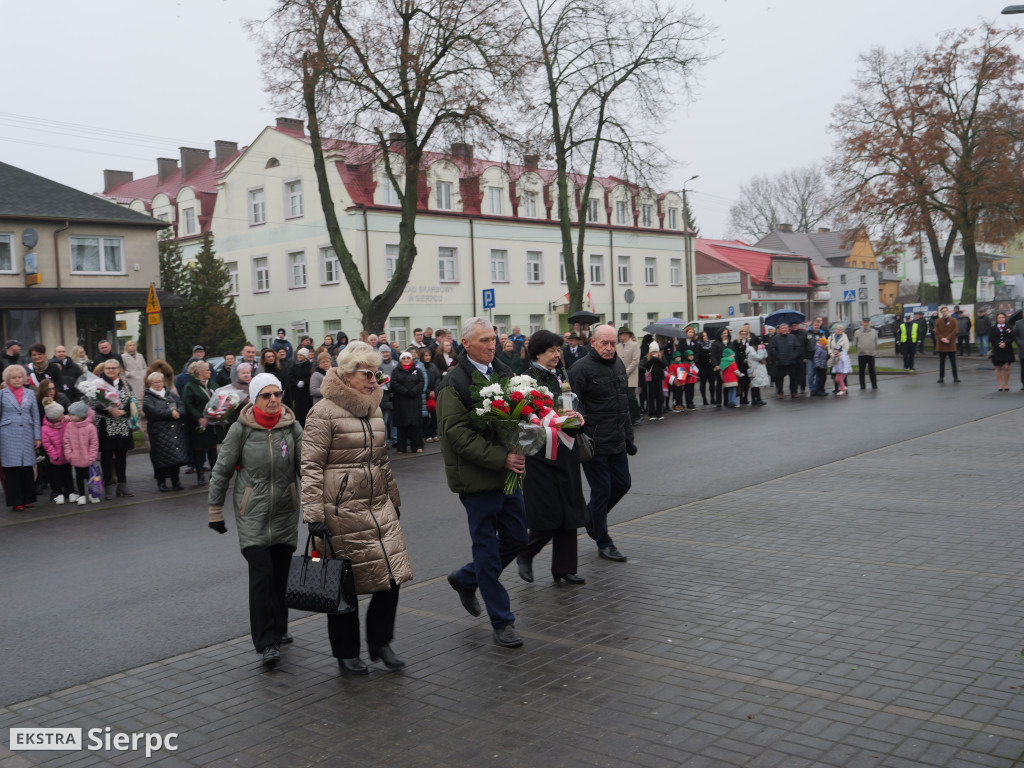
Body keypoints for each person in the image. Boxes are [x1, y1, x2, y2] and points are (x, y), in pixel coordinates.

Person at [300, 343, 413, 674]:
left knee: (390, 578)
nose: (374, 380)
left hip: (378, 508)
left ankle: (381, 642)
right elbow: (309, 467)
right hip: (340, 513)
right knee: (343, 585)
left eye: (377, 373)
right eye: (368, 374)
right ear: (348, 375)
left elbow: (381, 460)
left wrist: (393, 498)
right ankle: (346, 652)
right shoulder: (322, 412)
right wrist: (314, 517)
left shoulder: (374, 409)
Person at [438, 317, 528, 649]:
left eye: (493, 338)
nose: (492, 345)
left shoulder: (503, 372)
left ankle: (466, 578)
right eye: (484, 340)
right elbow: (456, 434)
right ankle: (502, 621)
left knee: (518, 537)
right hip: (477, 479)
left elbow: (519, 414)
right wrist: (499, 457)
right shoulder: (454, 382)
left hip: (508, 475)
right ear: (466, 345)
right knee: (488, 549)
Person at [208, 373, 303, 667]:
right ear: (254, 399)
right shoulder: (241, 430)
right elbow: (222, 470)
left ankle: (280, 626)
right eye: (266, 395)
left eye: (277, 394)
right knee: (262, 578)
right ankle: (266, 642)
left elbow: (307, 468)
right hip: (253, 513)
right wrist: (215, 508)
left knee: (281, 575)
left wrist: (317, 505)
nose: (274, 400)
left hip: (286, 511)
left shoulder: (292, 427)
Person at [514, 330, 588, 587]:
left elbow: (573, 404)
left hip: (565, 449)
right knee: (548, 512)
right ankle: (526, 553)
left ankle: (565, 569)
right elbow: (526, 415)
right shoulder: (527, 380)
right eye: (551, 351)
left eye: (558, 349)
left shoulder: (562, 375)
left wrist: (577, 418)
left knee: (570, 510)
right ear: (537, 353)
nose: (557, 355)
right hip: (541, 453)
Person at [569, 324, 635, 564]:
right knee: (602, 491)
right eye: (604, 343)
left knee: (623, 484)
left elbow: (623, 404)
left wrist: (629, 436)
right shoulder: (580, 369)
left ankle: (591, 519)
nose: (609, 348)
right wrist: (584, 431)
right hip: (593, 443)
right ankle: (604, 542)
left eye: (612, 343)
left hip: (616, 439)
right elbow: (574, 405)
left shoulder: (618, 364)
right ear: (593, 343)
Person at [1, 365, 41, 511]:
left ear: (24, 378)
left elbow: (35, 416)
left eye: (19, 377)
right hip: (7, 435)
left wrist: (37, 437)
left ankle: (28, 498)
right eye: (14, 377)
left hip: (27, 433)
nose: (17, 380)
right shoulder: (2, 394)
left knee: (27, 468)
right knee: (12, 470)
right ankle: (16, 501)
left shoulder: (30, 393)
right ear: (8, 379)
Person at [95, 359, 135, 499]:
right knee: (106, 457)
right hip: (106, 425)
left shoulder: (125, 383)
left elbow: (131, 401)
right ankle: (109, 487)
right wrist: (110, 411)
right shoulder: (99, 384)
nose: (110, 370)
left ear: (119, 369)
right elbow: (95, 405)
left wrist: (122, 412)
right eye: (108, 368)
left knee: (121, 457)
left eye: (113, 368)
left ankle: (122, 485)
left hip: (123, 425)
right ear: (104, 369)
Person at [143, 371, 187, 492]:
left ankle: (176, 481)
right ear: (150, 383)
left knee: (175, 457)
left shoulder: (171, 395)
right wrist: (170, 413)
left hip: (174, 431)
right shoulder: (148, 398)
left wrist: (179, 412)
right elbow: (152, 412)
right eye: (155, 382)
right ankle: (161, 482)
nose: (158, 384)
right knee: (160, 458)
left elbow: (181, 405)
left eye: (160, 381)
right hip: (158, 432)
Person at [182, 360, 220, 486]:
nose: (210, 372)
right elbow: (188, 404)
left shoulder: (212, 384)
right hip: (198, 424)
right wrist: (199, 417)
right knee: (198, 449)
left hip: (212, 423)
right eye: (208, 370)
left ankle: (214, 474)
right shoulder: (190, 386)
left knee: (213, 448)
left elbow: (220, 398)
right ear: (200, 372)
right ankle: (200, 475)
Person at [63, 401, 100, 505]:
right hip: (75, 458)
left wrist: (92, 456)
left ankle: (92, 494)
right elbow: (66, 442)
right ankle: (82, 495)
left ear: (81, 415)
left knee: (91, 478)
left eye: (73, 414)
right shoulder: (70, 426)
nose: (70, 416)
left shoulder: (90, 427)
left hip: (88, 459)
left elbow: (94, 443)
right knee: (78, 478)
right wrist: (69, 455)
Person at [390, 350, 425, 453]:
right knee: (402, 425)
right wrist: (405, 391)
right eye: (404, 358)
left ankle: (417, 446)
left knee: (416, 425)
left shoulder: (417, 370)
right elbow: (393, 383)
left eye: (408, 358)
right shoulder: (396, 371)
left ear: (411, 359)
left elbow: (421, 382)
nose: (406, 360)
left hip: (414, 401)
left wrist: (413, 391)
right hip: (401, 402)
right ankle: (401, 448)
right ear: (401, 360)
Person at [768, 323, 802, 399]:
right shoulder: (776, 338)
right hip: (780, 361)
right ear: (780, 330)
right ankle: (780, 392)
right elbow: (772, 348)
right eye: (782, 328)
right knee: (780, 378)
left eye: (785, 328)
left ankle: (794, 392)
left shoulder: (793, 337)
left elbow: (797, 347)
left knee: (793, 377)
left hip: (792, 360)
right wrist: (778, 356)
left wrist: (794, 355)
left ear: (788, 329)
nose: (784, 329)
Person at [617, 326, 642, 424]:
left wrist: (626, 372)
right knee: (624, 398)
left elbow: (635, 361)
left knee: (631, 397)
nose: (619, 336)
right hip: (620, 375)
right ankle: (630, 417)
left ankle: (637, 415)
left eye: (621, 334)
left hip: (631, 375)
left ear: (627, 335)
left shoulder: (634, 345)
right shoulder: (618, 346)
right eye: (619, 334)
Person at [286, 347, 313, 425]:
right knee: (298, 413)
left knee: (307, 413)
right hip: (297, 393)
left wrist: (304, 382)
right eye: (298, 355)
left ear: (305, 356)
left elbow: (311, 376)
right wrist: (296, 382)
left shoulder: (309, 365)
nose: (299, 356)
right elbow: (290, 376)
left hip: (306, 393)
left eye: (301, 355)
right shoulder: (294, 365)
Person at [639, 341, 666, 420]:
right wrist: (652, 360)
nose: (654, 353)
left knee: (659, 396)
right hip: (650, 378)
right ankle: (651, 413)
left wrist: (657, 359)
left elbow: (664, 365)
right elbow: (644, 365)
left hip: (659, 378)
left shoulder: (661, 356)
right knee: (651, 396)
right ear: (650, 351)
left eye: (656, 351)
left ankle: (659, 413)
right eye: (653, 351)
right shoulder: (646, 357)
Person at [419, 348, 441, 442]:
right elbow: (422, 380)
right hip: (425, 394)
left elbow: (437, 378)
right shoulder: (420, 366)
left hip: (433, 393)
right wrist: (428, 391)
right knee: (425, 416)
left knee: (434, 415)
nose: (427, 357)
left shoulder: (433, 366)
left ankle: (434, 433)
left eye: (429, 355)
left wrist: (434, 390)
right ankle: (426, 434)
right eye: (426, 355)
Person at [933, 306, 960, 384]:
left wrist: (948, 338)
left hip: (950, 343)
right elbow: (937, 331)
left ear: (948, 311)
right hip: (941, 344)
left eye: (945, 311)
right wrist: (942, 338)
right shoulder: (938, 321)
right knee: (942, 362)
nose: (944, 312)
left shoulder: (953, 320)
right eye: (943, 311)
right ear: (941, 313)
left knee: (953, 362)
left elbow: (955, 330)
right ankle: (941, 377)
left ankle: (955, 377)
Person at [989, 312, 1014, 392]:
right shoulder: (993, 328)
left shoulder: (1009, 327)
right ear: (997, 319)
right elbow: (991, 338)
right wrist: (998, 344)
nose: (1001, 319)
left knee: (1006, 367)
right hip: (997, 349)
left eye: (1002, 317)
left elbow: (1012, 337)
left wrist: (1005, 343)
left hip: (1007, 349)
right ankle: (1000, 384)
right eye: (999, 317)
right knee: (998, 367)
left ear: (1005, 318)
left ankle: (1006, 384)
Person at [853, 317, 879, 390]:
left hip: (871, 354)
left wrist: (873, 348)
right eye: (864, 322)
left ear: (869, 323)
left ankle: (874, 385)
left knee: (872, 370)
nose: (865, 324)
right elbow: (855, 343)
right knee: (861, 371)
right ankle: (862, 385)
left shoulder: (874, 332)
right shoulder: (857, 332)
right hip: (862, 354)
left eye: (867, 322)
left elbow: (876, 342)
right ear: (862, 323)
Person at [710, 327, 733, 408]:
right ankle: (719, 402)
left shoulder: (730, 343)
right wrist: (716, 365)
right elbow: (712, 355)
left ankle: (726, 401)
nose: (725, 335)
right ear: (720, 334)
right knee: (719, 384)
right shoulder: (715, 343)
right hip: (719, 367)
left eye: (726, 333)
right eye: (724, 333)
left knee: (727, 384)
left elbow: (733, 354)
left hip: (729, 367)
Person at [732, 324, 754, 405]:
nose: (743, 333)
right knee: (740, 381)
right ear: (740, 332)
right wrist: (742, 359)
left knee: (747, 381)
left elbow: (752, 351)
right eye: (742, 331)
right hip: (740, 365)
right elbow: (736, 353)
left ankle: (745, 398)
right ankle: (741, 397)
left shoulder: (750, 341)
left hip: (748, 364)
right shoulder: (736, 341)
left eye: (745, 331)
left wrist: (748, 359)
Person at [828, 324, 852, 396]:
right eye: (837, 329)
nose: (838, 331)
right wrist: (832, 354)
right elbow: (828, 346)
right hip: (833, 357)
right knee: (834, 374)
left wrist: (840, 354)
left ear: (842, 331)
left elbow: (846, 347)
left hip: (841, 358)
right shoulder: (831, 337)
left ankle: (844, 387)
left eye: (840, 329)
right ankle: (836, 388)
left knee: (842, 374)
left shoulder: (845, 337)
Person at [804, 317, 826, 392]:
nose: (816, 326)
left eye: (818, 325)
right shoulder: (807, 333)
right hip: (810, 356)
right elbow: (804, 345)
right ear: (812, 325)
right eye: (815, 325)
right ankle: (812, 388)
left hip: (820, 357)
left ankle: (817, 388)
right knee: (810, 373)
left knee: (818, 374)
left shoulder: (822, 333)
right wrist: (805, 357)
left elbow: (825, 344)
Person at [696, 331, 714, 406]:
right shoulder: (699, 345)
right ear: (701, 337)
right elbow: (699, 356)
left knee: (712, 383)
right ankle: (704, 399)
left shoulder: (710, 344)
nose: (705, 337)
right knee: (703, 383)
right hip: (702, 366)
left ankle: (713, 398)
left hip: (710, 367)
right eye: (703, 336)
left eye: (706, 335)